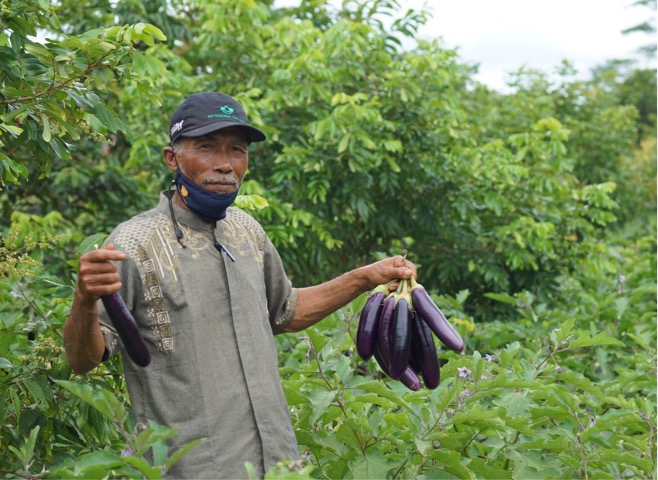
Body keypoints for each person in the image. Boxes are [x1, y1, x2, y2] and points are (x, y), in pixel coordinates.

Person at [63, 92, 416, 479]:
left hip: (279, 463)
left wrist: (366, 277)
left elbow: (288, 311)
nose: (226, 164)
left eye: (237, 150)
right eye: (207, 148)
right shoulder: (133, 243)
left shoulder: (247, 231)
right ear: (172, 158)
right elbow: (83, 360)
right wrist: (84, 299)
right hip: (193, 469)